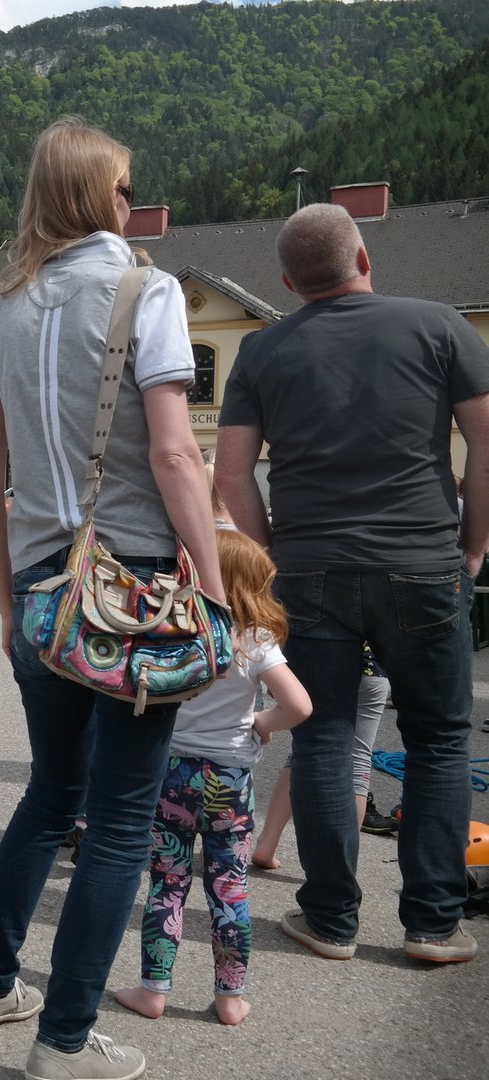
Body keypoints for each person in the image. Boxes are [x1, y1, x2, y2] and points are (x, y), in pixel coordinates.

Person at [0, 118, 222, 1080]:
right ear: (100, 196)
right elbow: (175, 454)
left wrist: (5, 597)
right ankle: (63, 1043)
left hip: (38, 582)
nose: (130, 202)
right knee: (119, 819)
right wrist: (215, 587)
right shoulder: (149, 293)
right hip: (131, 587)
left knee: (50, 792)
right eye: (124, 188)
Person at [215, 201, 489, 965]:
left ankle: (330, 919)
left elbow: (231, 475)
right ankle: (433, 923)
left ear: (287, 283)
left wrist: (273, 559)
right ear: (364, 259)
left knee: (324, 737)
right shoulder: (439, 326)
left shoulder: (262, 351)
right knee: (438, 739)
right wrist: (472, 547)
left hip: (310, 569)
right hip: (423, 563)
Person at [112, 529, 311, 1028]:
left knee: (167, 882)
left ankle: (153, 990)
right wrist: (261, 722)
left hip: (171, 773)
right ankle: (229, 998)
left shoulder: (178, 632)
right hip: (229, 781)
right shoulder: (255, 641)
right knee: (229, 887)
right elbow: (299, 706)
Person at [252, 646, 398, 870]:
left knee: (304, 750)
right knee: (358, 760)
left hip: (322, 663)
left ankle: (267, 843)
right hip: (371, 669)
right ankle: (342, 864)